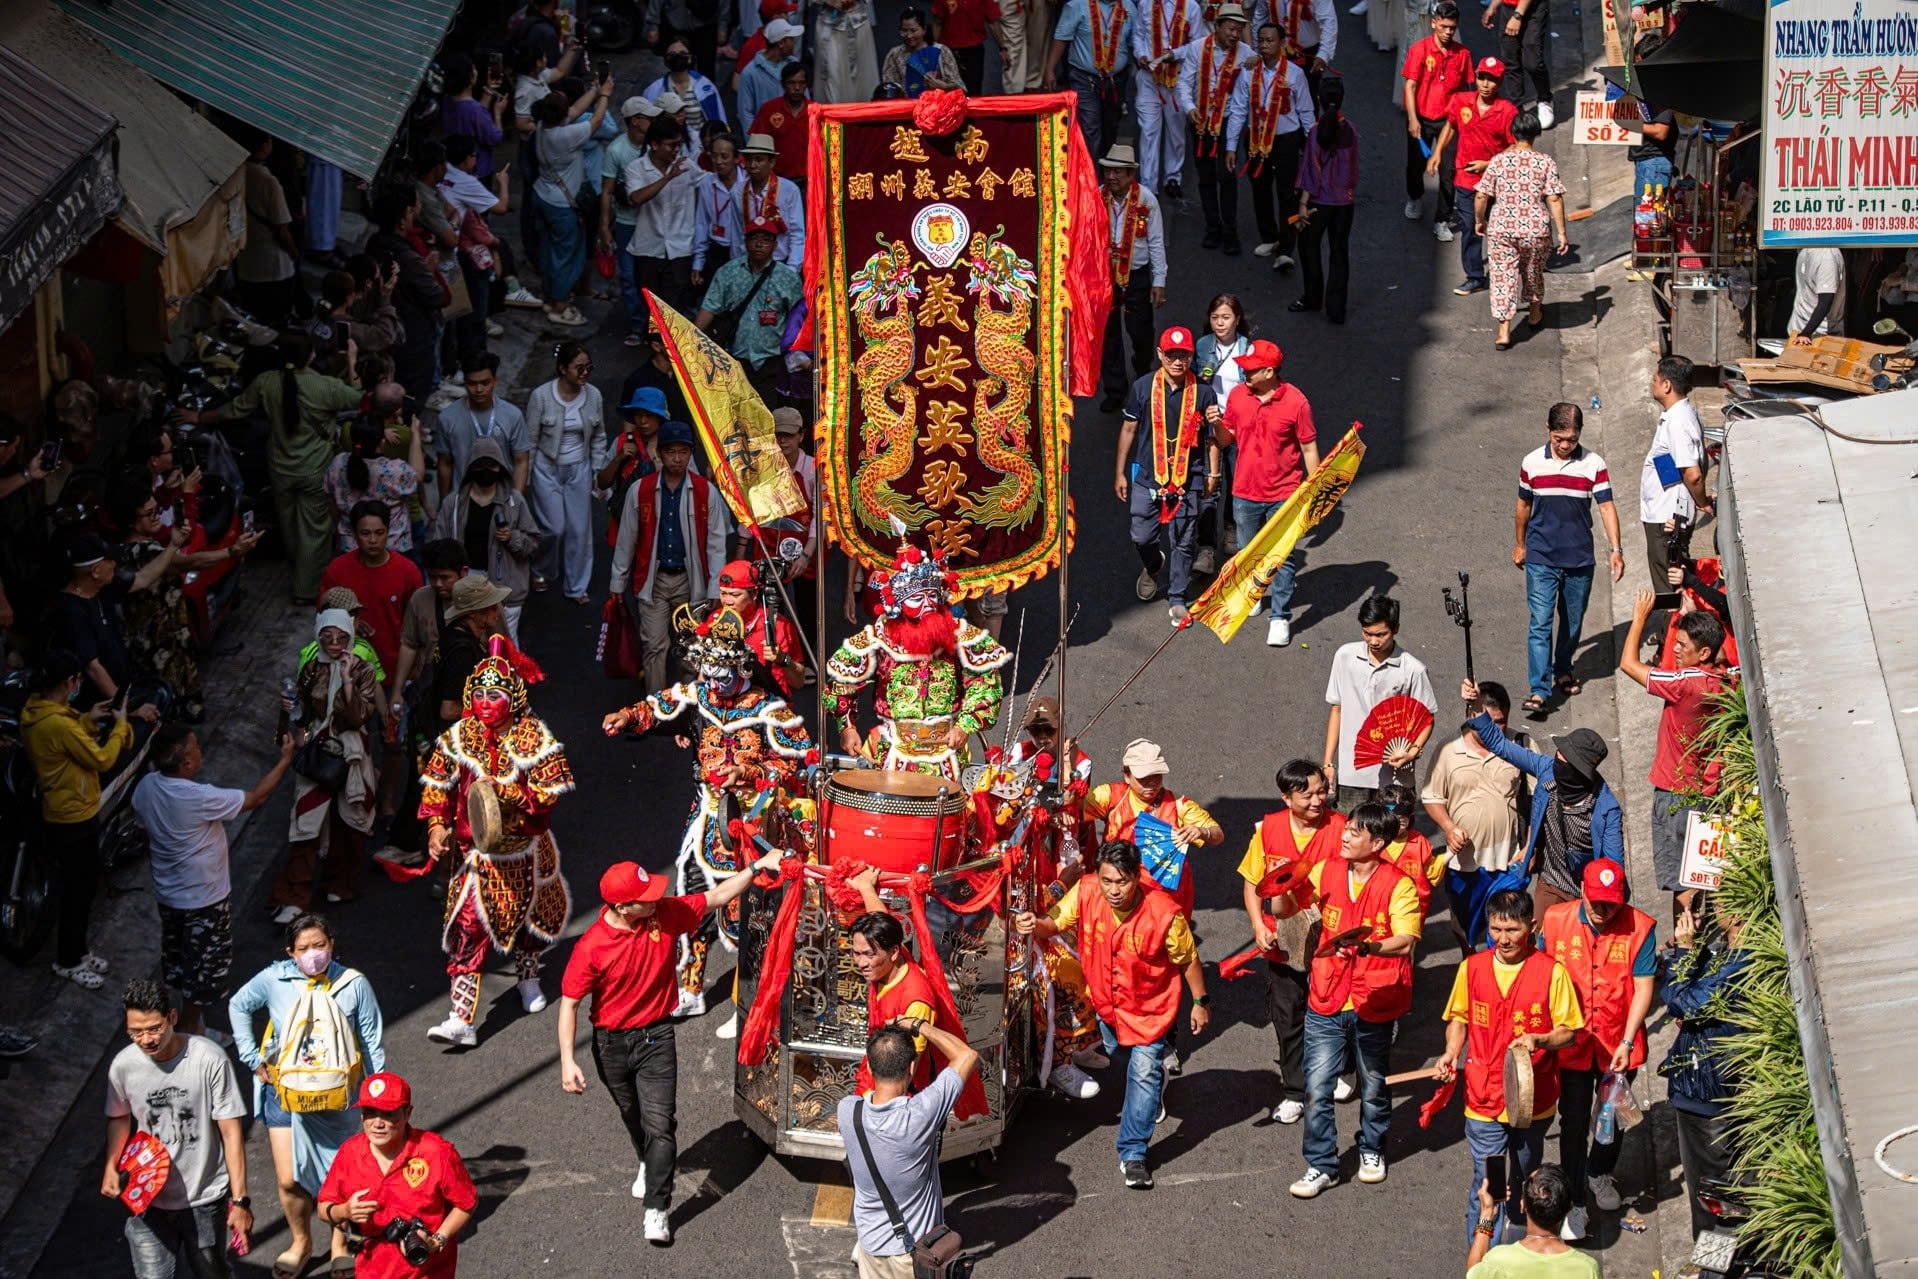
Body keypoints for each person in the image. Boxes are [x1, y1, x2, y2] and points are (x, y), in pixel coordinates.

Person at [558, 854, 783, 1246]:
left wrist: (755, 868)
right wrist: (567, 1060)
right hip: (610, 1045)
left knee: (661, 1125)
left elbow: (714, 899)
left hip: (657, 1038)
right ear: (622, 907)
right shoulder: (592, 947)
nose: (655, 899)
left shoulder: (663, 914)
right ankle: (648, 1161)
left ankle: (657, 1208)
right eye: (644, 897)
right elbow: (570, 1004)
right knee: (634, 1115)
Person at [600, 607, 810, 1022]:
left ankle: (748, 1001)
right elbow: (659, 705)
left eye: (721, 674)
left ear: (739, 667)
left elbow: (800, 760)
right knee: (690, 899)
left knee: (748, 915)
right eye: (706, 674)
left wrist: (750, 772)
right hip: (704, 817)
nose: (713, 683)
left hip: (754, 824)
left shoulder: (770, 709)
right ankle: (691, 984)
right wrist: (627, 716)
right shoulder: (700, 696)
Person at [1014, 840, 1209, 1189]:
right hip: (1107, 1008)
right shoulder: (1086, 890)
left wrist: (1200, 1002)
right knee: (1123, 1058)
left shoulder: (1165, 913)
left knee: (1142, 1073)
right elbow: (1053, 922)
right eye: (1107, 881)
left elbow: (1188, 960)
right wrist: (1035, 924)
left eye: (1122, 882)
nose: (1114, 890)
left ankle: (1133, 1153)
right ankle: (1150, 1081)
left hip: (1151, 1012)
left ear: (1137, 877)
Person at [418, 636, 573, 1045]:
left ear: (513, 696)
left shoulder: (533, 736)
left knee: (532, 923)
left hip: (525, 850)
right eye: (480, 694)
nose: (487, 702)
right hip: (475, 855)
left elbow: (549, 792)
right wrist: (436, 827)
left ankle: (527, 976)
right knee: (468, 927)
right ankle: (462, 1018)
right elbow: (437, 785)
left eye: (497, 694)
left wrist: (507, 794)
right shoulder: (458, 736)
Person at [1272, 802, 1420, 1199]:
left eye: (1356, 832)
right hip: (1327, 996)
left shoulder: (1399, 885)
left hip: (1374, 1000)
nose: (1346, 835)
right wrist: (1279, 889)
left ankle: (1372, 1149)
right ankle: (1322, 1164)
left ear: (1378, 842)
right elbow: (1290, 908)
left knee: (1373, 1084)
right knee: (1317, 1088)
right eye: (1347, 828)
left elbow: (1405, 939)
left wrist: (1369, 947)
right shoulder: (1325, 870)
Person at [229, 914, 387, 1276]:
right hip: (284, 1096)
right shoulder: (274, 979)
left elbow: (372, 1041)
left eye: (319, 945)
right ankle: (301, 1241)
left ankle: (340, 1242)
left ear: (332, 943)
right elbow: (238, 1005)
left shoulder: (353, 984)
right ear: (290, 952)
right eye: (303, 949)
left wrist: (377, 1095)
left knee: (341, 1178)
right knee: (288, 1179)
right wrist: (253, 1059)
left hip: (340, 1098)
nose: (313, 954)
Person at [1436, 889, 1583, 1239]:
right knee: (1492, 1182)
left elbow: (1570, 1031)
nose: (1503, 939)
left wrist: (1540, 1039)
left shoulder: (1551, 973)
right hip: (1484, 1096)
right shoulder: (1471, 969)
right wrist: (1451, 1051)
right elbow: (1458, 1017)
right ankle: (1485, 1259)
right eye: (1496, 930)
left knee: (1526, 1177)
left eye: (1512, 930)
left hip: (1534, 1099)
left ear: (1531, 926)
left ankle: (1519, 1251)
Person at [134, 725, 296, 1037]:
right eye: (195, 748)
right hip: (204, 901)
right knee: (204, 973)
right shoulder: (198, 797)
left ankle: (189, 1023)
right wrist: (285, 759)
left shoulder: (146, 788)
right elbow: (256, 798)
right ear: (186, 764)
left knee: (180, 963)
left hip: (169, 897)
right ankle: (190, 1031)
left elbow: (143, 827)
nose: (200, 751)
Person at [179, 332, 362, 602]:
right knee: (314, 530)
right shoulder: (325, 387)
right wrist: (353, 361)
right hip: (314, 469)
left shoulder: (266, 383)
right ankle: (307, 589)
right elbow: (358, 397)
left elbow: (236, 409)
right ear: (310, 356)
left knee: (289, 528)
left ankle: (298, 572)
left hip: (280, 469)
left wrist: (199, 416)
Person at [103, 979, 252, 1279]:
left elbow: (231, 1131)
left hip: (205, 1199)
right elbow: (119, 1117)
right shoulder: (123, 1066)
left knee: (212, 1273)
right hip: (148, 1200)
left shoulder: (208, 1058)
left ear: (172, 1017)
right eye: (136, 1032)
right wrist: (110, 1165)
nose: (146, 1039)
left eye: (153, 1028)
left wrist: (240, 1201)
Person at [824, 539, 1011, 776]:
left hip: (947, 752)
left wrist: (965, 726)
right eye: (917, 599)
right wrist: (847, 727)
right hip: (894, 749)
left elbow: (985, 683)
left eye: (931, 598)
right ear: (900, 605)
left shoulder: (960, 635)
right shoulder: (880, 636)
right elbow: (842, 682)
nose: (927, 606)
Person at [1538, 860, 1655, 1238]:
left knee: (1610, 1119)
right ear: (1583, 892)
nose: (1603, 911)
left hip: (1616, 1045)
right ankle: (1574, 1199)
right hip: (1571, 1044)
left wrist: (1626, 1038)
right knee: (1572, 1122)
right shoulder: (1556, 920)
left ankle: (1599, 1172)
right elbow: (1540, 974)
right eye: (1597, 903)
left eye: (1611, 904)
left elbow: (1643, 987)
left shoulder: (1640, 928)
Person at [22, 652, 151, 989]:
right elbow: (103, 759)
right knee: (78, 891)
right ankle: (67, 960)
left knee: (82, 886)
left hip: (66, 809)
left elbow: (64, 739)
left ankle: (77, 952)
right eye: (77, 680)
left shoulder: (38, 712)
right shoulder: (58, 724)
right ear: (69, 682)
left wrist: (88, 717)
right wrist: (121, 724)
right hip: (73, 815)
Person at [1238, 758, 1347, 1124]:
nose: (1319, 800)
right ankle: (1295, 1089)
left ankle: (1329, 1073)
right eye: (1308, 795)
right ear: (1286, 798)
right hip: (1283, 940)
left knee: (1329, 1010)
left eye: (1322, 791)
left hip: (1330, 937)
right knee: (1288, 1015)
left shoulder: (1342, 829)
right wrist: (1257, 924)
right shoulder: (1268, 830)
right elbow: (1253, 883)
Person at [839, 1016, 983, 1275]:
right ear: (911, 1067)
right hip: (913, 1256)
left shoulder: (848, 1112)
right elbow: (966, 1055)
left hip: (870, 1248)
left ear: (870, 1070)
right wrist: (920, 1026)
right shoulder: (919, 1115)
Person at [1619, 588, 1729, 918]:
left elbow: (1629, 664)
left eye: (1683, 645)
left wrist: (1639, 618)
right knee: (1708, 876)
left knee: (1682, 884)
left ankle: (1686, 944)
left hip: (1674, 796)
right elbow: (1721, 658)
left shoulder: (1683, 685)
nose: (1676, 649)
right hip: (1710, 795)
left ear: (1704, 652)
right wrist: (1695, 615)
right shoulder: (1724, 682)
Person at [1465, 692, 1624, 913]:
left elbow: (1614, 868)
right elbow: (1500, 745)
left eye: (1565, 759)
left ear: (1580, 771)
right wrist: (1476, 705)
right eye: (1559, 753)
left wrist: (1603, 904)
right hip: (1549, 883)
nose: (1557, 759)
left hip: (1586, 895)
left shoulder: (1606, 808)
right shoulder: (1546, 768)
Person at [1514, 402, 1624, 713]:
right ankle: (1539, 690)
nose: (1564, 445)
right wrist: (1520, 544)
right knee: (1540, 622)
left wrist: (1616, 550)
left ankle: (1563, 668)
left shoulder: (1594, 464)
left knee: (1572, 623)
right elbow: (1523, 506)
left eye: (1571, 440)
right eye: (1559, 438)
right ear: (1548, 430)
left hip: (1579, 560)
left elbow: (1606, 507)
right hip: (1541, 556)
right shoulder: (1532, 463)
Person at [270, 611, 379, 922]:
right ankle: (294, 895)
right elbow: (300, 710)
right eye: (327, 637)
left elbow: (358, 717)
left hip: (351, 748)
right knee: (306, 818)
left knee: (351, 817)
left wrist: (346, 681)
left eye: (342, 637)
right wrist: (289, 717)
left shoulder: (363, 670)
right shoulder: (310, 668)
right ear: (317, 635)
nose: (334, 644)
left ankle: (341, 884)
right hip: (318, 748)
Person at [610, 420, 730, 692]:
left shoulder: (705, 491)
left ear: (690, 454)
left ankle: (689, 710)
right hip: (654, 579)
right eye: (671, 452)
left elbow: (716, 543)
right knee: (654, 645)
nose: (677, 459)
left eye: (683, 452)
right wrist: (618, 582)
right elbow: (626, 539)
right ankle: (655, 709)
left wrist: (715, 587)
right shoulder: (640, 490)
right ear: (660, 455)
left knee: (691, 646)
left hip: (690, 581)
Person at [316, 1073, 476, 1274]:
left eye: (389, 1113)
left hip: (428, 1271)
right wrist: (344, 1211)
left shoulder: (437, 1152)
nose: (378, 1123)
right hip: (371, 1270)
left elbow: (466, 1203)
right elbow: (324, 1208)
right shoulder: (349, 1153)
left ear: (408, 1113)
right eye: (370, 1112)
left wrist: (437, 1240)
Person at [1214, 338, 1318, 645]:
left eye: (1252, 369)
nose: (1245, 374)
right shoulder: (1237, 396)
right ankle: (1254, 594)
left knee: (1282, 557)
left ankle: (1280, 616)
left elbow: (1308, 447)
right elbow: (1225, 439)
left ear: (1270, 371)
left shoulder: (1297, 402)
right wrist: (1217, 426)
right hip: (1244, 491)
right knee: (1248, 552)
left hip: (1284, 494)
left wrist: (1315, 491)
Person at [1658, 897, 1751, 1240]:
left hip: (1712, 1098)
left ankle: (1714, 1268)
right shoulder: (1720, 947)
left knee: (1716, 1199)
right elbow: (1676, 992)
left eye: (1721, 901)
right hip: (1703, 1093)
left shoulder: (1744, 959)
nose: (1712, 908)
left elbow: (1685, 1002)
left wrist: (1683, 951)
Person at [1116, 326, 1221, 623]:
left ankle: (1177, 596)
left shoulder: (1203, 391)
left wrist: (1213, 473)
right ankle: (1152, 565)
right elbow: (1128, 429)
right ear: (1160, 354)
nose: (1178, 362)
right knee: (1141, 535)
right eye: (1172, 355)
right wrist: (1119, 473)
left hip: (1190, 477)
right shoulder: (1143, 387)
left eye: (1184, 356)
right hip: (1149, 477)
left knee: (1184, 541)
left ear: (1191, 357)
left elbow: (1213, 438)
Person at [1422, 680, 1529, 948]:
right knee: (1464, 926)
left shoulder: (1521, 745)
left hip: (1509, 862)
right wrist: (1448, 828)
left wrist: (1530, 848)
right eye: (1488, 721)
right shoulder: (1448, 749)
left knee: (1504, 931)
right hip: (1464, 864)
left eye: (1501, 721)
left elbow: (1541, 799)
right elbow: (1432, 797)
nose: (1495, 729)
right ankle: (1469, 966)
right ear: (1473, 717)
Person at [1082, 738, 1224, 928]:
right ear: (1126, 776)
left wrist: (1202, 832)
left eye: (1156, 776)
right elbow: (1073, 809)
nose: (1151, 783)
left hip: (1164, 897)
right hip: (1119, 890)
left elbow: (1218, 834)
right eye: (1143, 778)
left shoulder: (1179, 805)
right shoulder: (1109, 796)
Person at [1322, 595, 1438, 810]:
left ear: (1396, 629)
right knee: (1351, 835)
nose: (1373, 641)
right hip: (1352, 775)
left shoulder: (1413, 669)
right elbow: (1337, 709)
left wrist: (1412, 751)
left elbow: (1427, 718)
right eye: (1367, 633)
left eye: (1381, 635)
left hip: (1395, 778)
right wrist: (1328, 762)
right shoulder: (1344, 656)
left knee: (1394, 839)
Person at [429, 438, 542, 641]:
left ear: (500, 467)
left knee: (504, 645)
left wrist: (512, 537)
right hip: (465, 582)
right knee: (467, 641)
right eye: (479, 465)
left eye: (491, 465)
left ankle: (509, 675)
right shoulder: (453, 504)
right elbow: (440, 544)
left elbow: (533, 543)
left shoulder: (515, 501)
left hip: (505, 587)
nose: (485, 470)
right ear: (471, 468)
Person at [1475, 110, 1567, 349]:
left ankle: (1504, 331)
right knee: (1533, 270)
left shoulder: (1498, 160)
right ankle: (1535, 312)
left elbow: (1482, 195)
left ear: (1512, 133)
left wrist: (1480, 221)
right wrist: (1562, 232)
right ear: (1536, 134)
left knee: (1502, 275)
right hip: (1536, 228)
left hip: (1502, 227)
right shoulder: (1546, 162)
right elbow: (1554, 198)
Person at [1224, 22, 1314, 268]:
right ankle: (1270, 237)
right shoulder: (1248, 72)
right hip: (1255, 139)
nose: (1264, 45)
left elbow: (1306, 111)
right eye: (1261, 40)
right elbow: (1239, 110)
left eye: (1270, 40)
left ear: (1282, 44)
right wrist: (1231, 146)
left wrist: (1312, 146)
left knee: (1287, 193)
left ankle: (1286, 248)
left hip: (1286, 140)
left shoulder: (1295, 75)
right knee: (1259, 189)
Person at [526, 341, 609, 605]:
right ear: (562, 369)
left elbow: (599, 435)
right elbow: (530, 440)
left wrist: (597, 468)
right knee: (553, 528)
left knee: (579, 530)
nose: (585, 373)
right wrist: (524, 477)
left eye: (589, 368)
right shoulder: (541, 396)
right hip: (546, 468)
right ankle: (541, 568)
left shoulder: (593, 396)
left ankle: (576, 587)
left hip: (579, 468)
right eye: (579, 368)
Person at [531, 74, 614, 328]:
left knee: (550, 250)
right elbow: (597, 120)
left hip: (543, 195)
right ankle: (559, 304)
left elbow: (576, 109)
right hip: (562, 206)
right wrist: (605, 96)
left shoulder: (544, 127)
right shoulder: (564, 136)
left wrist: (594, 89)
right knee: (568, 255)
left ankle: (550, 293)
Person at [695, 214, 806, 399]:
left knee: (769, 417)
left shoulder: (788, 278)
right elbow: (709, 309)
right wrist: (689, 339)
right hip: (733, 359)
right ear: (745, 242)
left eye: (766, 239)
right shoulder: (727, 272)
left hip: (772, 361)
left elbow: (799, 321)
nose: (759, 244)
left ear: (775, 245)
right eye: (754, 238)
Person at [1430, 57, 1515, 297]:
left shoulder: (1507, 111)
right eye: (1482, 77)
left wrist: (1489, 164)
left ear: (1500, 82)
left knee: (1501, 229)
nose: (1485, 84)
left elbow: (1517, 145)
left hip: (1497, 183)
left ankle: (1507, 271)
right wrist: (1437, 153)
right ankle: (1475, 276)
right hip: (1466, 180)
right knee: (1470, 227)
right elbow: (1450, 126)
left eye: (1492, 79)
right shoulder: (1461, 101)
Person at [320, 502, 425, 689]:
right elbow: (323, 617)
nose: (373, 540)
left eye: (379, 532)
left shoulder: (408, 572)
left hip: (395, 669)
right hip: (349, 670)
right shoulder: (337, 571)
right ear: (354, 533)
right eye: (365, 533)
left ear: (388, 531)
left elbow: (419, 622)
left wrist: (418, 660)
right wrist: (350, 623)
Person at [1175, 5, 1254, 256]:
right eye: (1231, 29)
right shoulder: (1197, 48)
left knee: (1227, 178)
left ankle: (1230, 232)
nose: (1234, 35)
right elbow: (1184, 83)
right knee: (1206, 178)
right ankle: (1213, 227)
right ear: (1218, 26)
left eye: (1239, 30)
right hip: (1200, 122)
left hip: (1229, 123)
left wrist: (1259, 61)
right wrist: (1188, 108)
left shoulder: (1246, 54)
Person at [1292, 75, 1359, 324]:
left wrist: (1302, 206)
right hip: (1344, 203)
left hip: (1319, 202)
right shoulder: (1350, 130)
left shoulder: (1316, 132)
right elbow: (1352, 170)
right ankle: (1336, 309)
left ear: (1318, 100)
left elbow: (1311, 169)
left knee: (1309, 248)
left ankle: (1312, 297)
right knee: (1339, 253)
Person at [1637, 355, 1708, 591]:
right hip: (1663, 515)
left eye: (1655, 379)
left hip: (1667, 521)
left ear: (1667, 385)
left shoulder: (1678, 421)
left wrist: (1702, 501)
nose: (1652, 383)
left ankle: (1673, 626)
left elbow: (1693, 474)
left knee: (1669, 589)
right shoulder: (1679, 416)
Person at [1401, 2, 1470, 238]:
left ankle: (1442, 217)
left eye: (1452, 27)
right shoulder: (1419, 50)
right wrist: (1412, 118)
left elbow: (1465, 90)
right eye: (1443, 26)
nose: (1448, 32)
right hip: (1421, 117)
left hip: (1449, 122)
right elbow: (1410, 86)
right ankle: (1415, 196)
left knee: (1449, 172)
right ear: (1433, 23)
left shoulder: (1463, 54)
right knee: (1415, 166)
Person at [600, 96, 663, 344]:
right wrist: (604, 228)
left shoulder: (656, 146)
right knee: (628, 276)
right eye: (649, 117)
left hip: (653, 222)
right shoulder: (616, 151)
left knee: (653, 276)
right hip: (627, 224)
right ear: (635, 121)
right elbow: (606, 191)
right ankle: (638, 324)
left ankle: (654, 324)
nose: (654, 121)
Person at [1465, 1166, 1600, 1277]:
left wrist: (1486, 1213)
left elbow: (1473, 1272)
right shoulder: (1587, 1269)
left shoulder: (1497, 1260)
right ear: (1569, 1207)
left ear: (1522, 1205)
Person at [624, 115, 700, 311]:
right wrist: (668, 177)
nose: (676, 150)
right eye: (671, 145)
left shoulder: (687, 166)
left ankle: (662, 340)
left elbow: (707, 183)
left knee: (674, 301)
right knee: (651, 301)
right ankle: (656, 339)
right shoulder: (636, 168)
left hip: (680, 246)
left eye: (679, 145)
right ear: (655, 145)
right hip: (648, 247)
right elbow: (635, 199)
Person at [326, 408, 425, 557]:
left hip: (350, 546)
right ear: (381, 443)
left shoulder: (338, 463)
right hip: (393, 547)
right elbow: (418, 475)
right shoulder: (394, 471)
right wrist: (415, 435)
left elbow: (332, 503)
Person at [434, 351, 531, 497]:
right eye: (472, 383)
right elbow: (445, 464)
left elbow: (521, 461)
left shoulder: (512, 415)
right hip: (463, 499)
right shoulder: (447, 418)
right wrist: (445, 505)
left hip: (501, 500)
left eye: (485, 383)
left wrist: (516, 503)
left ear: (495, 380)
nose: (479, 390)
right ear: (465, 382)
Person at [1044, 0, 1133, 159]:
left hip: (1115, 82)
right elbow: (1062, 38)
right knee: (1090, 127)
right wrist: (1050, 69)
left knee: (1110, 128)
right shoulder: (1076, 5)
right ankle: (1090, 177)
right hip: (1084, 79)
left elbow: (1136, 42)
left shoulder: (1129, 7)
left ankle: (1106, 174)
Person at [1132, 0, 1204, 196]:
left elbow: (1198, 44)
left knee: (1176, 133)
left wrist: (1176, 53)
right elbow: (1138, 35)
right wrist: (1140, 55)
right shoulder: (1145, 4)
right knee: (1148, 131)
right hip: (1149, 78)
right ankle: (1148, 186)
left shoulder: (1192, 7)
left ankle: (1173, 177)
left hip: (1177, 79)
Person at [238, 132, 302, 324]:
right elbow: (280, 227)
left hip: (246, 261)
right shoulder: (268, 182)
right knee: (275, 319)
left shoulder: (237, 172)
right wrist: (294, 253)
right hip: (273, 265)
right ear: (265, 146)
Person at [689, 134, 746, 293]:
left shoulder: (748, 183)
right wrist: (698, 262)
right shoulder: (707, 183)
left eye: (724, 156)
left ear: (736, 158)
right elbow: (702, 222)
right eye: (714, 156)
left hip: (743, 253)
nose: (718, 161)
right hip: (716, 251)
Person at [1482, 0, 1549, 128]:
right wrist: (1492, 7)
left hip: (1533, 9)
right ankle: (1516, 108)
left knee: (1532, 62)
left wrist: (1517, 15)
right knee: (1510, 60)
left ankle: (1544, 99)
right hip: (1509, 8)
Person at [642, 35, 730, 134]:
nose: (677, 57)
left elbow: (720, 119)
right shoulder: (654, 90)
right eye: (672, 54)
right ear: (666, 60)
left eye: (683, 53)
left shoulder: (706, 86)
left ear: (690, 58)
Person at [750, 64, 813, 182]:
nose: (797, 88)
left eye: (801, 83)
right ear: (783, 84)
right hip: (776, 180)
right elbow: (756, 145)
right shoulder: (769, 110)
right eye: (791, 83)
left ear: (806, 85)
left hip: (809, 181)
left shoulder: (816, 111)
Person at [882, 6, 963, 94]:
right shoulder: (895, 55)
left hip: (938, 104)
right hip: (908, 106)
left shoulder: (942, 51)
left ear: (924, 29)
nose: (909, 36)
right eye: (904, 30)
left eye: (913, 30)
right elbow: (889, 89)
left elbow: (959, 88)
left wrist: (943, 86)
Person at [933, 0, 996, 93]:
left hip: (974, 50)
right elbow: (937, 22)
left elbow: (993, 21)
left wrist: (1003, 48)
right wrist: (933, 49)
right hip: (949, 51)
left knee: (974, 89)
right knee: (949, 88)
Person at [1789, 245, 1847, 343]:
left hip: (1819, 336)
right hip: (1797, 330)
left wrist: (1806, 333)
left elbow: (1825, 301)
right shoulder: (1805, 249)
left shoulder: (1827, 258)